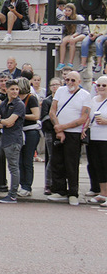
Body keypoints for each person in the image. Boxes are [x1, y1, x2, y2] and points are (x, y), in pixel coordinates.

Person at [47, 71, 91, 205]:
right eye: (67, 80)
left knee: (71, 163)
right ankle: (59, 190)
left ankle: (73, 192)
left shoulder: (85, 95)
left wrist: (63, 127)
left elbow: (84, 117)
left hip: (74, 133)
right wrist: (59, 128)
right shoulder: (60, 91)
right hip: (59, 131)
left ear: (79, 82)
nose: (70, 83)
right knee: (57, 161)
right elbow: (52, 111)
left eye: (73, 80)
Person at [83, 75, 107, 206]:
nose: (101, 88)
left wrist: (105, 121)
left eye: (104, 85)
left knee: (105, 165)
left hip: (105, 138)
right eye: (99, 85)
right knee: (96, 165)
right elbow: (87, 117)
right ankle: (102, 193)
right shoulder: (93, 100)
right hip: (94, 137)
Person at [16, 77, 41, 197]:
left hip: (30, 132)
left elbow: (36, 115)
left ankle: (27, 186)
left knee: (27, 160)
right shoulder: (15, 98)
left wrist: (22, 115)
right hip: (19, 132)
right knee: (19, 160)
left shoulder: (31, 98)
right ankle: (22, 184)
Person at [56, 3, 88, 71]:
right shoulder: (65, 18)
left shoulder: (78, 18)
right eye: (66, 10)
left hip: (82, 33)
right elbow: (63, 30)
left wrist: (73, 36)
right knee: (63, 42)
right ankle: (61, 62)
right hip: (71, 33)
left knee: (72, 41)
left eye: (69, 10)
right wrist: (63, 20)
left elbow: (79, 31)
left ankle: (70, 62)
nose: (67, 12)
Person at [79, 5, 107, 74]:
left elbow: (105, 29)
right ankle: (83, 64)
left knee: (98, 41)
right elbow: (91, 27)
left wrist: (98, 35)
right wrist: (92, 34)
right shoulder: (91, 16)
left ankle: (99, 63)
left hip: (103, 34)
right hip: (93, 33)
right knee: (85, 42)